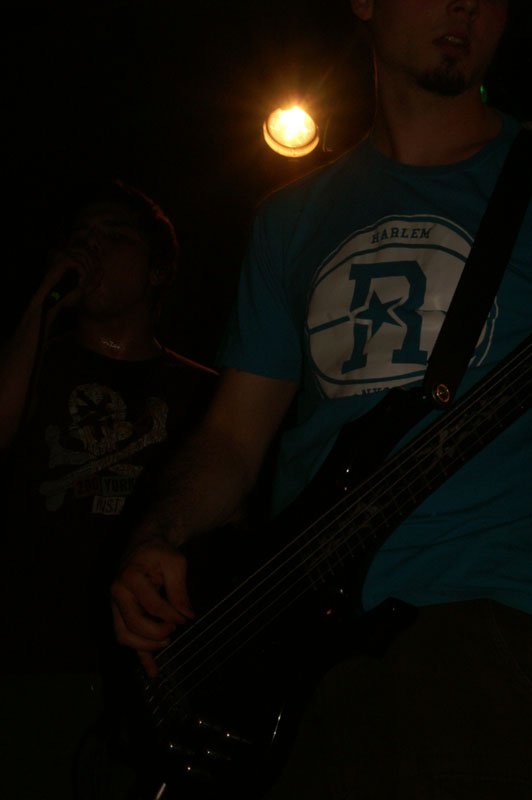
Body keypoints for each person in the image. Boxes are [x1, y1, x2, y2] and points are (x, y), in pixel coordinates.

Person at [111, 1, 532, 798]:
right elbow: (234, 440)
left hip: (487, 622)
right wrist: (160, 534)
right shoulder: (289, 219)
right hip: (301, 653)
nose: (465, 4)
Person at [0, 179, 218, 799]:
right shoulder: (30, 361)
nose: (91, 248)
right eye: (81, 237)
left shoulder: (203, 393)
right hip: (31, 664)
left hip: (154, 674)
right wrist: (43, 303)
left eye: (113, 237)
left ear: (157, 270)